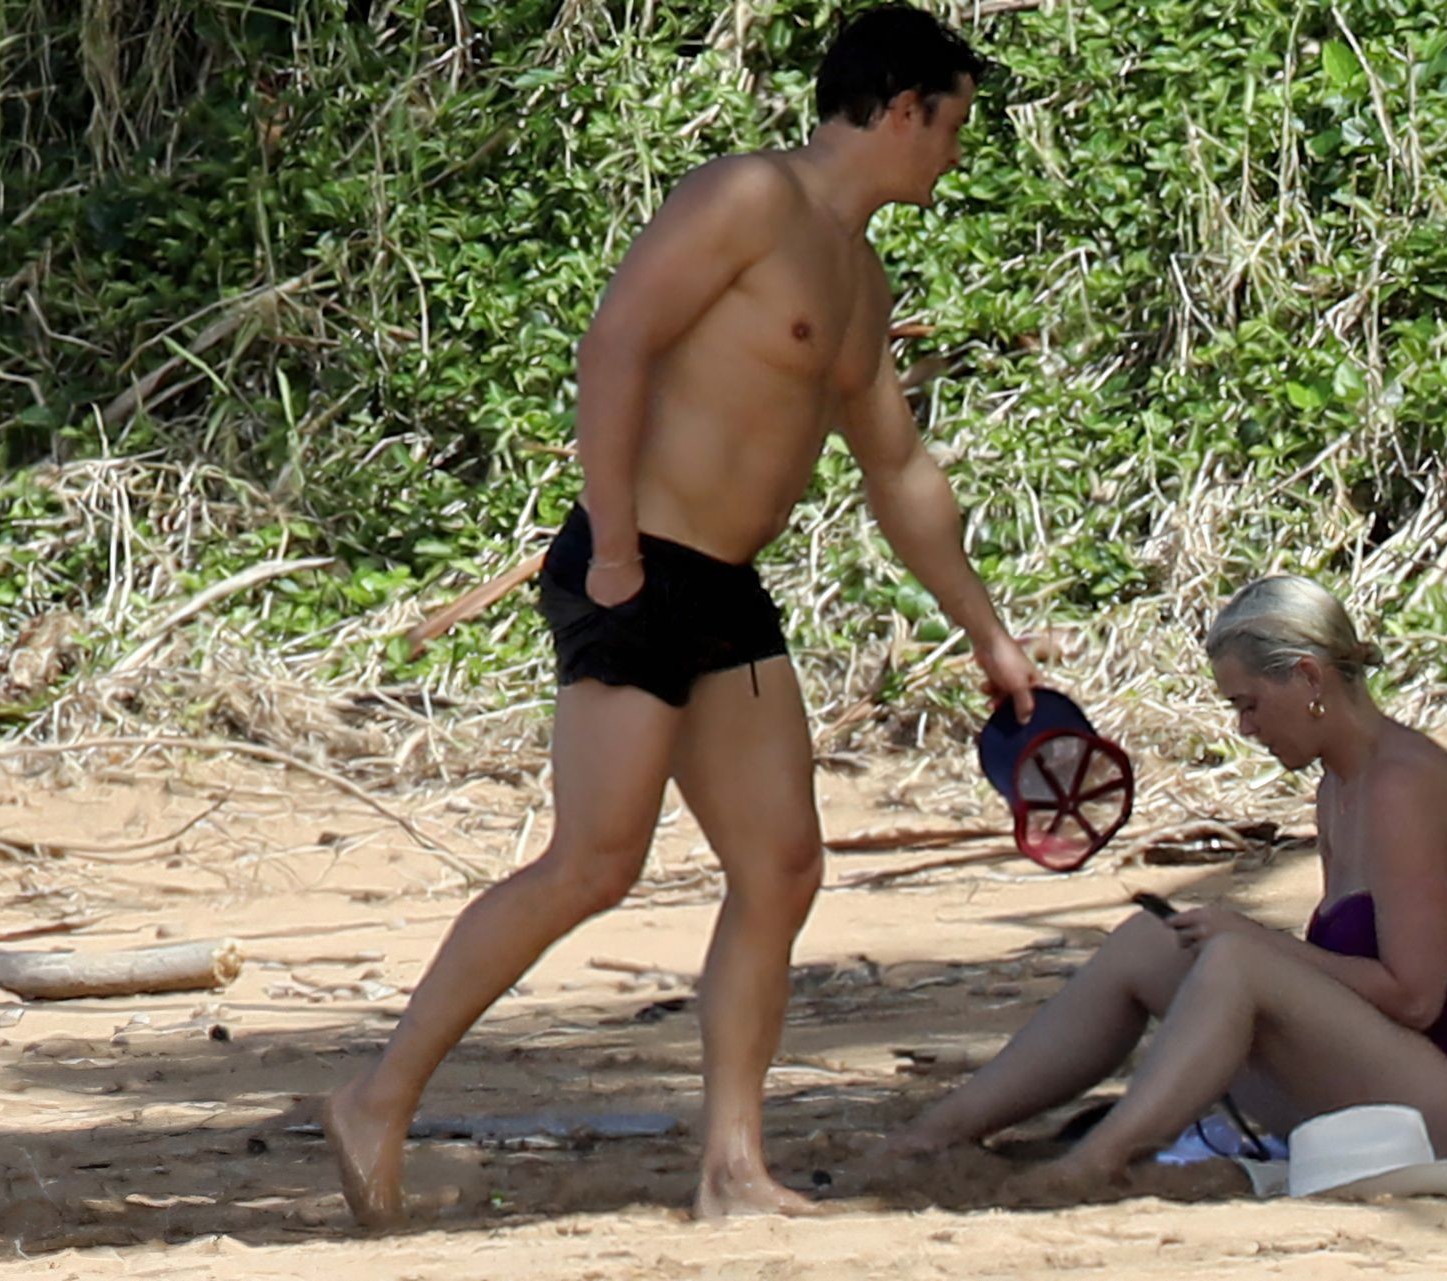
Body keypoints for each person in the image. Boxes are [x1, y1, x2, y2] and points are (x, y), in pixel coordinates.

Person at [323, 3, 1039, 1227]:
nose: (956, 152)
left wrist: (986, 631)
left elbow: (898, 470)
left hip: (724, 590)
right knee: (596, 862)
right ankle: (376, 1098)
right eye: (953, 124)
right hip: (639, 562)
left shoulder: (860, 279)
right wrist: (611, 546)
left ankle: (732, 1169)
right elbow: (617, 344)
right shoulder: (750, 197)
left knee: (783, 865)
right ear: (902, 108)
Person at [886, 574, 1447, 1192]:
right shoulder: (1338, 788)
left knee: (1235, 960)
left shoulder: (1401, 786)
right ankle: (931, 1135)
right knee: (1149, 941)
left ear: (1309, 677)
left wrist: (1254, 940)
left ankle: (1099, 1160)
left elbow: (1414, 997)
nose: (1245, 728)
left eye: (1249, 705)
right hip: (1381, 1079)